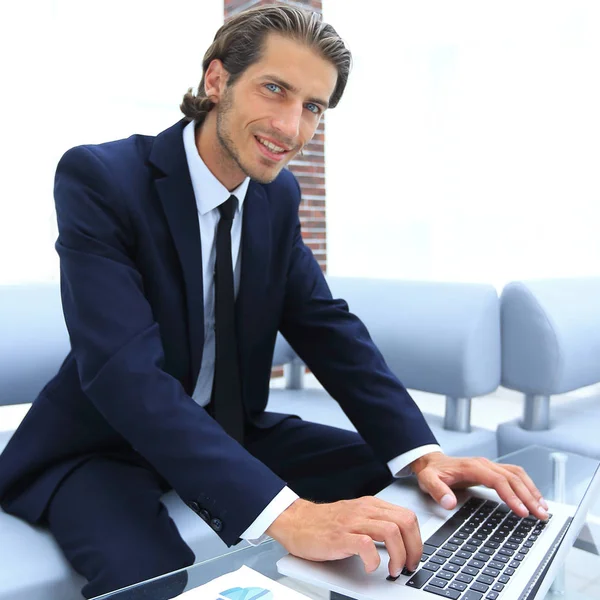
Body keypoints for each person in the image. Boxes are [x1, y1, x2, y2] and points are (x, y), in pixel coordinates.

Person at [0, 4, 548, 599]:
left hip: (228, 426)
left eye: (313, 107)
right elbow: (122, 372)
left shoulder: (276, 196)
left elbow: (325, 325)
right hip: (101, 446)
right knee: (153, 574)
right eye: (274, 90)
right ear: (216, 81)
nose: (291, 128)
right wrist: (288, 517)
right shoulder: (103, 178)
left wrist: (421, 456)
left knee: (413, 488)